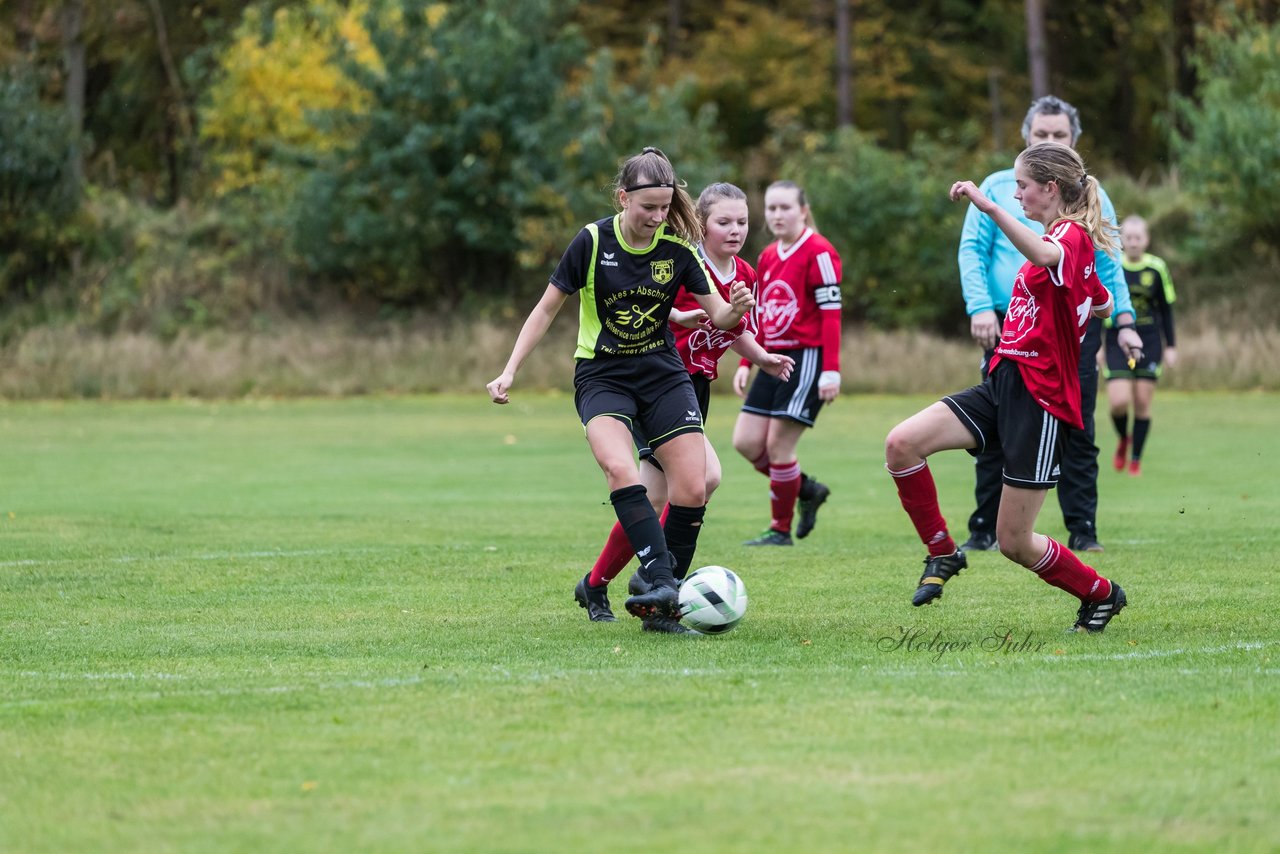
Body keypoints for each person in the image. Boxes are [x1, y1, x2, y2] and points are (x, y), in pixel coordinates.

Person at [486, 147, 756, 629]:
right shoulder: (591, 241)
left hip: (662, 372)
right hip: (602, 374)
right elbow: (547, 308)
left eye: (664, 207)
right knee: (620, 469)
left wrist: (736, 306)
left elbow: (719, 316)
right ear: (622, 197)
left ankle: (657, 604)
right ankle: (661, 583)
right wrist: (510, 369)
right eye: (647, 207)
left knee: (694, 485)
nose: (656, 217)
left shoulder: (676, 249)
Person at [885, 141, 1135, 633]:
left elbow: (1048, 255)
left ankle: (1102, 594)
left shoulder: (1070, 236)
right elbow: (1099, 300)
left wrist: (988, 204)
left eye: (1021, 186)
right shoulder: (1067, 243)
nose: (1016, 193)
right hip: (1004, 382)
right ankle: (942, 553)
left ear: (1050, 188)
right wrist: (1093, 305)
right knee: (901, 444)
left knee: (1014, 541)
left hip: (1040, 402)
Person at [577, 182, 796, 631]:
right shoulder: (681, 263)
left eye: (742, 222)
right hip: (657, 388)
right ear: (701, 223)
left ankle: (608, 582)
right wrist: (676, 319)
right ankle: (654, 583)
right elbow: (652, 311)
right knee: (699, 480)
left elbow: (732, 329)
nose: (735, 230)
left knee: (662, 493)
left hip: (695, 389)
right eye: (724, 222)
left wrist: (762, 359)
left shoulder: (746, 276)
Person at [958, 96, 1144, 553]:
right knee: (997, 424)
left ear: (1073, 142)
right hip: (1008, 323)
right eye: (1042, 134)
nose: (1049, 140)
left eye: (1059, 135)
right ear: (1027, 136)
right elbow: (971, 252)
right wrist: (980, 307)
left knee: (1078, 427)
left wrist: (1122, 319)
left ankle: (1082, 528)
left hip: (1067, 332)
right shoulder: (1002, 184)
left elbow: (1106, 263)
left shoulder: (1089, 202)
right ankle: (984, 527)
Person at [731, 180, 843, 547]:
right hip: (770, 358)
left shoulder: (819, 252)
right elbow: (760, 314)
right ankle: (806, 489)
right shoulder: (766, 256)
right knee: (746, 442)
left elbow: (831, 315)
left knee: (779, 446)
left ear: (803, 210)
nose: (777, 215)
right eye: (772, 208)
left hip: (805, 357)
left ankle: (779, 530)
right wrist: (749, 362)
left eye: (785, 208)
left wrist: (831, 369)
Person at [1105, 215, 1177, 476]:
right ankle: (1124, 438)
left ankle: (1136, 458)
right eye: (1129, 238)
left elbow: (1166, 310)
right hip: (1116, 338)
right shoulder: (1112, 264)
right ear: (1121, 240)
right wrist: (1098, 347)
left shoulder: (1157, 268)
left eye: (1138, 238)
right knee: (1119, 402)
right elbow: (1100, 305)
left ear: (1146, 240)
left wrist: (1171, 346)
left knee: (1142, 402)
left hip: (1149, 339)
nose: (1133, 243)